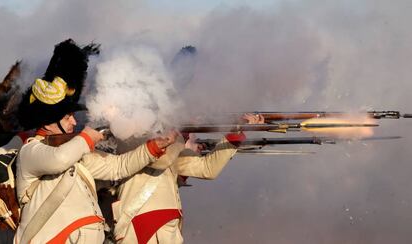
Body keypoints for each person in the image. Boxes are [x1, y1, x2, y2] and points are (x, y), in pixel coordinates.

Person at [14, 39, 177, 243]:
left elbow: (118, 166)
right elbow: (60, 159)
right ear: (47, 123)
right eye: (67, 117)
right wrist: (88, 137)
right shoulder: (31, 151)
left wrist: (154, 147)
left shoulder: (75, 151)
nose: (74, 121)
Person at [112, 113, 264, 243]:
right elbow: (159, 158)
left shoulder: (173, 152)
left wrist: (238, 130)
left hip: (167, 226)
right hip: (139, 222)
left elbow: (208, 169)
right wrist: (179, 130)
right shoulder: (133, 139)